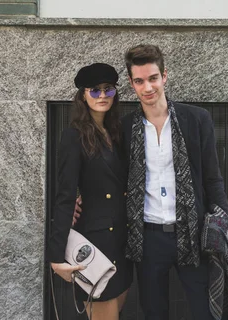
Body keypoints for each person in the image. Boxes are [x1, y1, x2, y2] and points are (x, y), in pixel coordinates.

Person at [122, 44, 228, 320]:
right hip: (147, 237)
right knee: (154, 312)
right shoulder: (125, 128)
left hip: (191, 234)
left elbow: (212, 177)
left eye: (153, 78)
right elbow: (108, 175)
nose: (147, 87)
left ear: (164, 76)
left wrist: (225, 227)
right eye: (139, 81)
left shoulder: (195, 119)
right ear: (131, 83)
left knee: (205, 311)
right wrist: (81, 195)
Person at [47, 63, 133, 320]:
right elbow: (65, 197)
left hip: (122, 242)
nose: (103, 96)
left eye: (109, 89)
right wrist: (55, 256)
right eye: (95, 90)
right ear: (83, 95)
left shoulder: (117, 133)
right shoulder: (73, 137)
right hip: (95, 243)